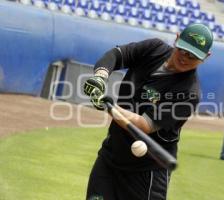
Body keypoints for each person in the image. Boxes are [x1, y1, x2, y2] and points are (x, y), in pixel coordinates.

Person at [83, 23, 213, 200]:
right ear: (176, 39)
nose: (185, 58)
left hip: (147, 171)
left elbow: (144, 124)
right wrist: (100, 77)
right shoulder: (154, 48)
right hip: (111, 155)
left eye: (193, 56)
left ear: (206, 57)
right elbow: (116, 55)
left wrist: (109, 107)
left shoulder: (189, 93)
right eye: (183, 50)